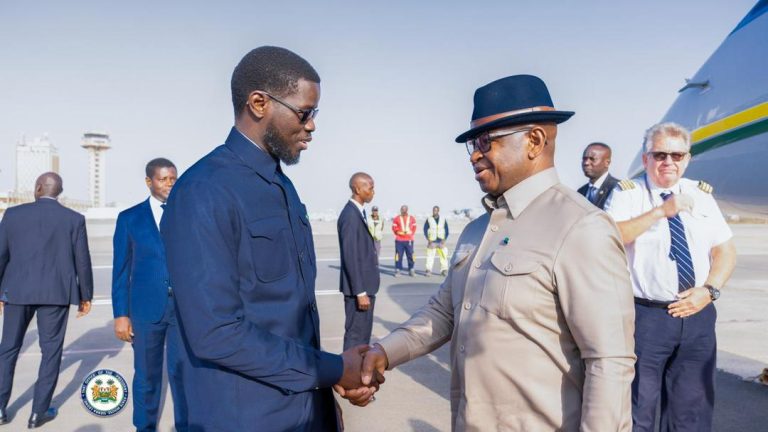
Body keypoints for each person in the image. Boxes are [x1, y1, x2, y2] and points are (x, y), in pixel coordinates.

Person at [360, 75, 636, 431]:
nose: (474, 154)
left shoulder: (580, 227)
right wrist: (383, 352)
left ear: (534, 140)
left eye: (485, 141)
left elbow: (609, 362)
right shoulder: (478, 229)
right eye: (472, 144)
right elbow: (443, 313)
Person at [161, 46, 376, 432]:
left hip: (302, 407)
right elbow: (216, 332)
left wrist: (323, 397)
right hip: (244, 415)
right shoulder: (205, 190)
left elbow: (289, 315)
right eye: (304, 113)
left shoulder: (282, 187)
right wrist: (334, 369)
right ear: (259, 103)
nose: (312, 126)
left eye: (315, 115)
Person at [604, 122, 736, 432]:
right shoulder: (628, 194)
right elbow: (612, 236)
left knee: (693, 412)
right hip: (647, 318)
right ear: (646, 158)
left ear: (687, 159)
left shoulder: (701, 195)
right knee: (640, 411)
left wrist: (710, 290)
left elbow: (726, 251)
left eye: (677, 156)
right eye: (660, 154)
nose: (669, 162)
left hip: (698, 314)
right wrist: (661, 212)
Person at [0, 172, 93, 429]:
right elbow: (82, 260)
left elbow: (1, 255)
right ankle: (37, 413)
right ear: (59, 191)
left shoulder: (13, 215)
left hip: (17, 292)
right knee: (50, 353)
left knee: (7, 350)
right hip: (56, 294)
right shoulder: (74, 219)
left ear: (39, 187)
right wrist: (86, 295)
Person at [112, 158, 188, 431]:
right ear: (148, 181)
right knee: (146, 376)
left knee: (183, 375)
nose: (169, 184)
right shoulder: (129, 218)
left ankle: (186, 426)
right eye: (163, 179)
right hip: (145, 310)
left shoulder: (187, 214)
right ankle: (144, 427)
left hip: (183, 310)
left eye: (173, 178)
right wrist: (121, 315)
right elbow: (120, 271)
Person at [338, 172, 380, 350]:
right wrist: (360, 292)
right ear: (358, 189)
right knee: (356, 336)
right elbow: (350, 256)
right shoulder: (349, 216)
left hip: (364, 288)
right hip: (359, 291)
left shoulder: (358, 213)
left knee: (363, 336)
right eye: (370, 188)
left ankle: (358, 372)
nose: (373, 192)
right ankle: (347, 374)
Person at [577, 142, 619, 209]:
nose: (586, 163)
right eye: (584, 159)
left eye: (592, 159)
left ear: (607, 163)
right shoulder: (581, 192)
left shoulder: (617, 188)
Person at [423, 205, 450, 277]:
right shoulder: (429, 219)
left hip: (441, 241)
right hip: (432, 242)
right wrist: (429, 240)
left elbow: (447, 230)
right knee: (430, 256)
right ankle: (428, 270)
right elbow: (425, 230)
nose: (434, 211)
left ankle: (444, 270)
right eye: (433, 210)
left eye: (436, 210)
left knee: (443, 256)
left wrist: (444, 240)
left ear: (438, 211)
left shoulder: (443, 219)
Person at [391, 205, 416, 277]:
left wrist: (410, 234)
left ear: (407, 210)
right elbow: (394, 228)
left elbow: (414, 227)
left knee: (411, 255)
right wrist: (399, 233)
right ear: (400, 210)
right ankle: (398, 270)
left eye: (405, 209)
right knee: (398, 255)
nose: (404, 211)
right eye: (402, 209)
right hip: (399, 240)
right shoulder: (396, 218)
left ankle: (411, 269)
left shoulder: (411, 218)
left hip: (409, 240)